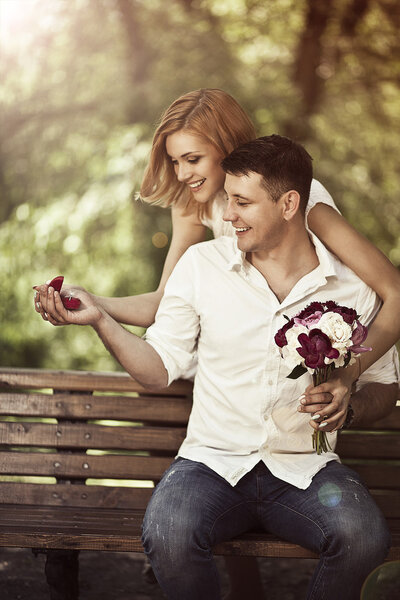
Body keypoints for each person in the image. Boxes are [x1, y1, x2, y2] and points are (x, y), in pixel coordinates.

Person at [36, 134, 399, 600]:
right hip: (210, 464)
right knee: (168, 533)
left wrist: (347, 405)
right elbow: (157, 369)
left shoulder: (354, 291)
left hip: (308, 471)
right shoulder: (201, 266)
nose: (226, 216)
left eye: (242, 202)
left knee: (364, 538)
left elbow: (384, 390)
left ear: (289, 204)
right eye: (228, 199)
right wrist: (101, 320)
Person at [34, 88, 400, 416]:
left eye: (192, 159)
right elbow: (165, 300)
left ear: (227, 149)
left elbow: (392, 291)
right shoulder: (194, 204)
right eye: (175, 161)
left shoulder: (303, 203)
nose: (180, 174)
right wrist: (91, 302)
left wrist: (349, 370)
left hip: (306, 357)